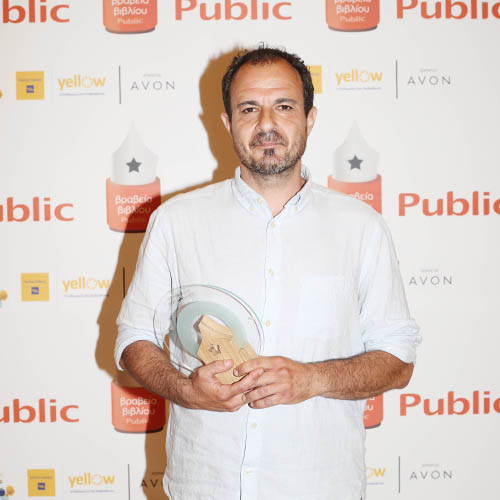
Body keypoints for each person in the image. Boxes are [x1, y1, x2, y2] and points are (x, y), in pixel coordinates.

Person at [115, 47, 421, 500]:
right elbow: (133, 337)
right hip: (206, 486)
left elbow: (398, 361)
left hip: (320, 487)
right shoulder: (176, 221)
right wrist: (186, 390)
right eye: (249, 109)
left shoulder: (361, 228)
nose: (266, 124)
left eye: (284, 106)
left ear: (309, 118)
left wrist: (311, 379)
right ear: (227, 123)